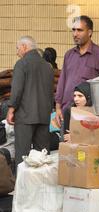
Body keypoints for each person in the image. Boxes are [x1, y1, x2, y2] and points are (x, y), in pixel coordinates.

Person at [55, 15, 99, 125]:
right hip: (67, 111)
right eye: (74, 30)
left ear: (89, 32)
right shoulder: (69, 54)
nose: (75, 34)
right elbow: (62, 82)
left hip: (89, 114)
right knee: (66, 141)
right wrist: (58, 107)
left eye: (80, 30)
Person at [7, 36, 54, 167]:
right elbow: (51, 92)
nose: (17, 52)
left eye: (17, 48)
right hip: (44, 116)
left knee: (22, 154)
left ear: (24, 47)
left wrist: (11, 109)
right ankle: (42, 184)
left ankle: (22, 185)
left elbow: (17, 90)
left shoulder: (22, 64)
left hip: (25, 115)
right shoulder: (48, 66)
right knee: (42, 155)